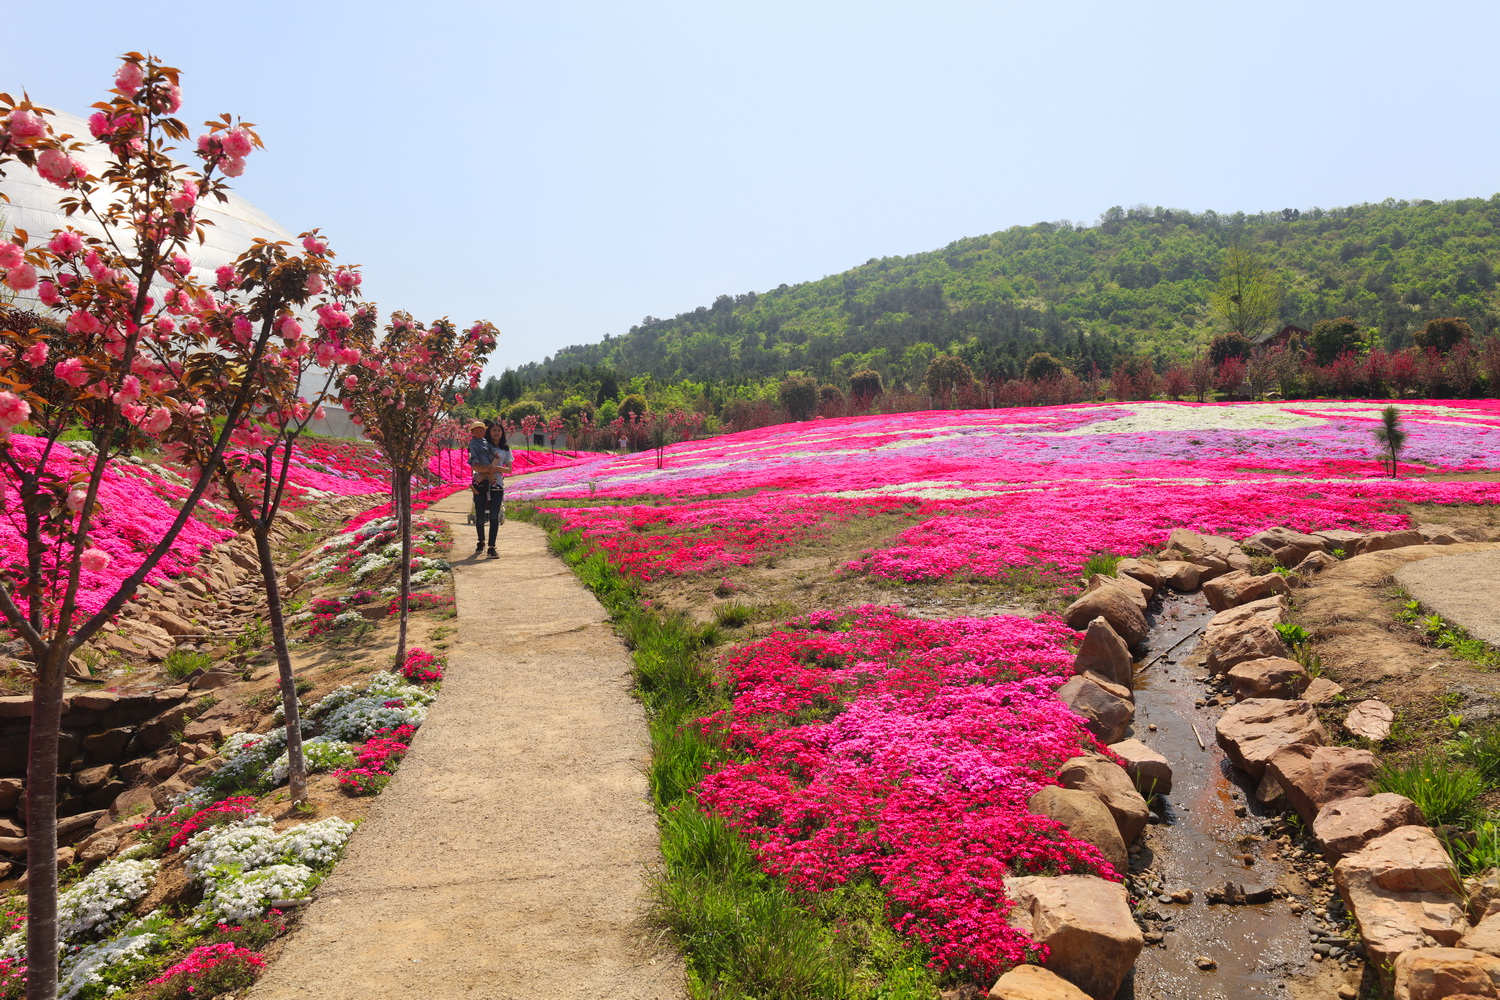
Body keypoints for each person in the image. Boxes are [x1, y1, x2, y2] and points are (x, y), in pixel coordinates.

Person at [468, 420, 513, 557]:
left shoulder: (505, 450)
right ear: (489, 432)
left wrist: (496, 468)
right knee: (480, 516)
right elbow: (473, 465)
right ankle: (481, 541)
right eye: (493, 430)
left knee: (494, 516)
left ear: (502, 433)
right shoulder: (481, 444)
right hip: (481, 485)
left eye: (499, 430)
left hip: (497, 484)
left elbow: (509, 470)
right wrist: (486, 471)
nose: (496, 432)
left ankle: (491, 546)